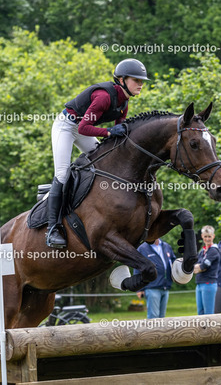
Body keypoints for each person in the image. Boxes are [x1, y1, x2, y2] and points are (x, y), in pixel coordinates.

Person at [46, 59, 150, 249]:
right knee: (62, 173)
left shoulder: (124, 101)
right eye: (136, 80)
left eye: (142, 80)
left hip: (83, 128)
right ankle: (52, 228)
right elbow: (84, 127)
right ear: (122, 80)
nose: (140, 84)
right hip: (66, 126)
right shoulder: (104, 97)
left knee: (105, 163)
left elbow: (119, 132)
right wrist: (109, 132)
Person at [135, 238, 175, 319]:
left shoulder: (166, 246)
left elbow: (174, 262)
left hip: (165, 287)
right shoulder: (142, 248)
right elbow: (137, 268)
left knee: (162, 318)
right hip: (151, 287)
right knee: (153, 317)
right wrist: (139, 288)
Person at [193, 226, 221, 315]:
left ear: (213, 236)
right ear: (202, 236)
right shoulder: (202, 251)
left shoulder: (214, 250)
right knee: (200, 313)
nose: (207, 239)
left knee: (208, 314)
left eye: (209, 236)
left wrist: (199, 267)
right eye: (205, 236)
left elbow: (203, 266)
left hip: (209, 284)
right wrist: (197, 267)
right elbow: (195, 266)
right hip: (199, 284)